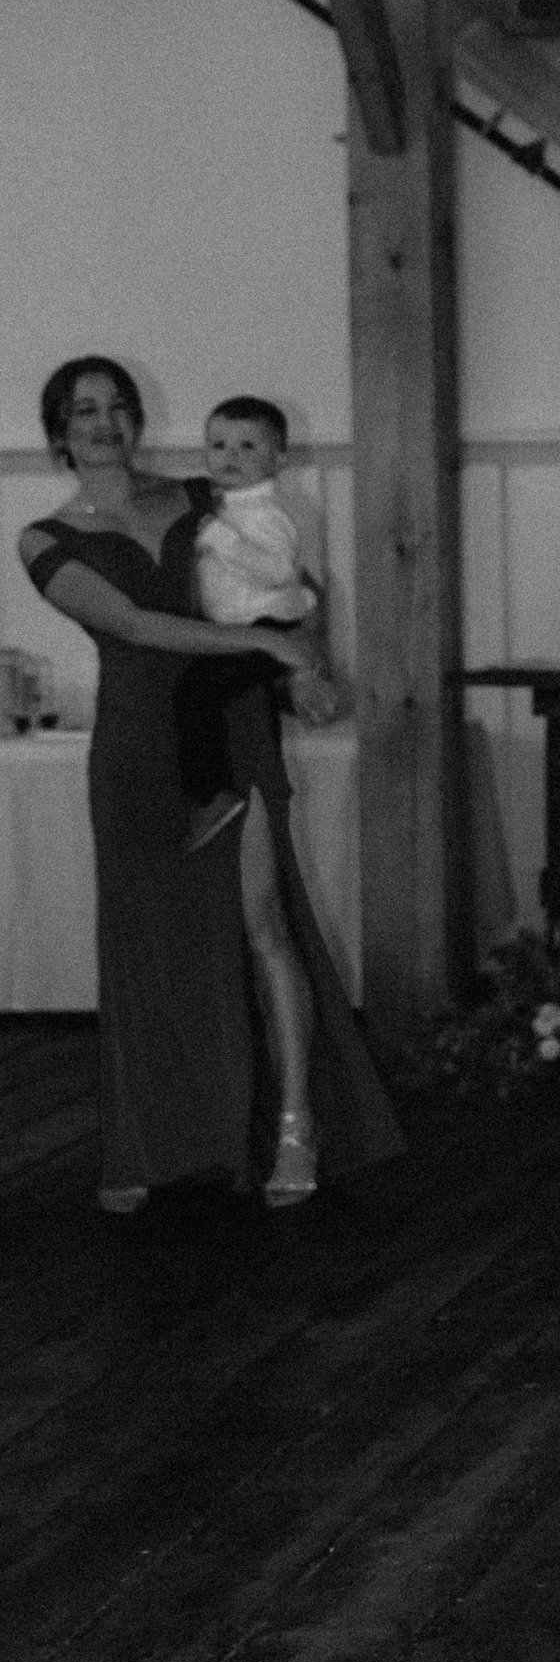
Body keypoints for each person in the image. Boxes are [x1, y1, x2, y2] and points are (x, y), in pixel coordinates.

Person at [18, 359, 403, 1214]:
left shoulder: (203, 494)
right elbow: (134, 624)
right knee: (144, 942)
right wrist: (271, 652)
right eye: (86, 410)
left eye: (119, 405)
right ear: (58, 432)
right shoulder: (44, 538)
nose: (107, 421)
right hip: (134, 749)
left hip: (231, 731)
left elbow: (294, 581)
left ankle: (295, 1127)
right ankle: (146, 1143)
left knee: (261, 922)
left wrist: (306, 666)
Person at [175, 393, 321, 857]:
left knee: (197, 691)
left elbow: (279, 571)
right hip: (235, 630)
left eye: (247, 447)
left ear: (278, 458)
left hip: (268, 629)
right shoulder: (222, 510)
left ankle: (212, 795)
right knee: (201, 691)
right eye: (217, 445)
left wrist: (218, 538)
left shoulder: (268, 514)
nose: (229, 456)